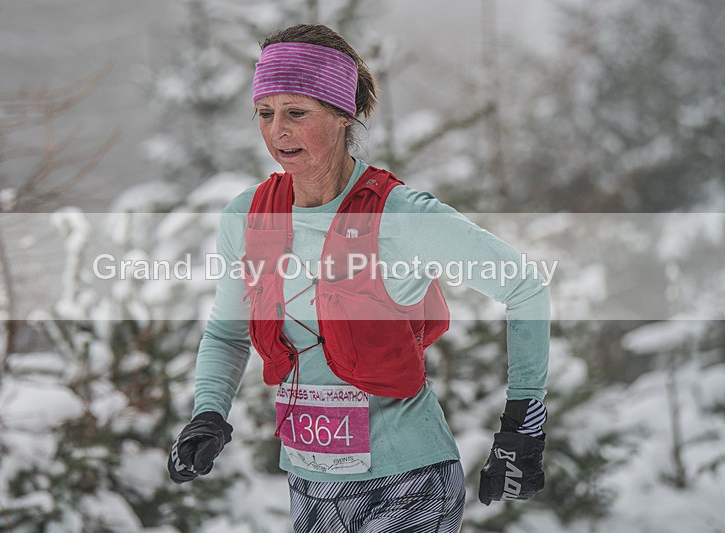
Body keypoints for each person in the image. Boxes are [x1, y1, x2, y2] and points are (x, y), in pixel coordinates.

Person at [167, 24, 550, 533]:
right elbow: (226, 332)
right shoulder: (249, 216)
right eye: (265, 113)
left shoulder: (399, 215)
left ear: (342, 114)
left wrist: (523, 423)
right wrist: (209, 413)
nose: (277, 130)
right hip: (310, 487)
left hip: (410, 482)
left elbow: (525, 285)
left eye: (297, 113)